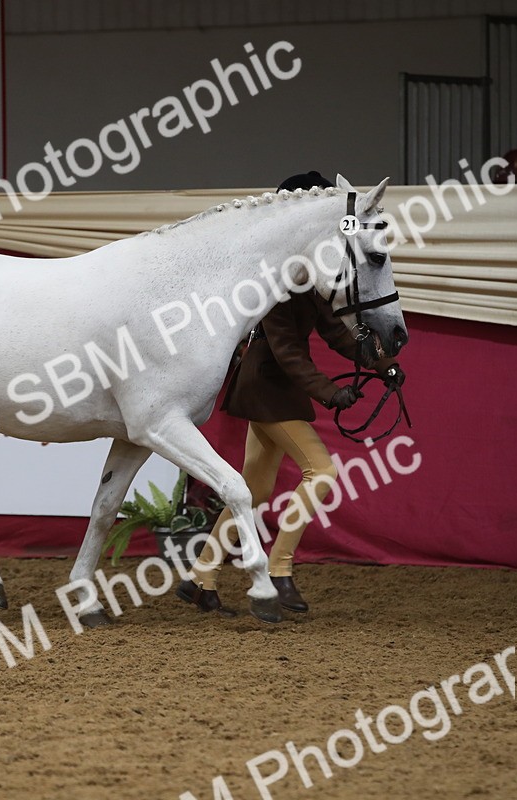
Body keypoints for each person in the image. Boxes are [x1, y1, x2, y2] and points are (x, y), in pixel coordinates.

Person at [177, 171, 405, 622]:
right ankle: (279, 569)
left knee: (255, 489)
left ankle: (200, 577)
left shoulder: (308, 274)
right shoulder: (277, 281)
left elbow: (335, 330)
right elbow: (286, 352)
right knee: (321, 472)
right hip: (267, 389)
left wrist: (383, 366)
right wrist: (330, 393)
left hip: (271, 393)